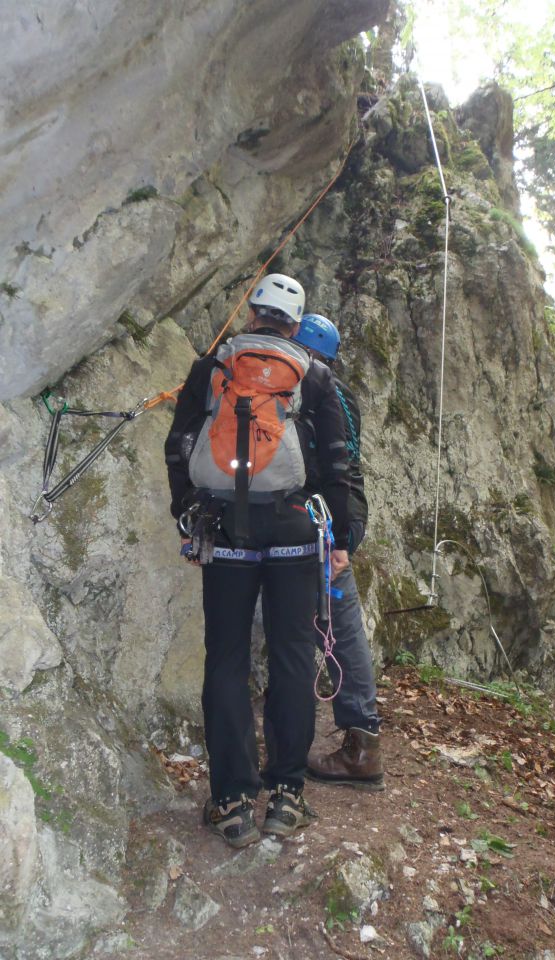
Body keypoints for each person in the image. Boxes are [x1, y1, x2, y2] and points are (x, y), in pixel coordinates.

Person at [164, 274, 350, 847]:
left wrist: (187, 515)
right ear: (295, 325)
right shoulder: (315, 376)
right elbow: (337, 465)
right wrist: (340, 539)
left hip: (225, 530)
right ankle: (287, 796)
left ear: (252, 315)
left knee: (226, 657)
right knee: (294, 655)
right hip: (295, 528)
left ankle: (231, 800)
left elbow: (178, 447)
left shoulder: (211, 368)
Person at [291, 314, 384, 790]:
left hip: (331, 518)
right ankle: (358, 738)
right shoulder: (334, 389)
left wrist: (341, 538)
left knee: (337, 625)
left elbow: (335, 465)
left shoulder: (319, 388)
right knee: (329, 620)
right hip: (340, 515)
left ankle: (361, 744)